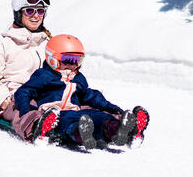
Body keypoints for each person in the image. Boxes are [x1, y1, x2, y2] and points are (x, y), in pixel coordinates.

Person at [13, 33, 150, 149]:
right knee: (68, 120)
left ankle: (120, 131)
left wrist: (112, 108)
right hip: (55, 114)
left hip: (77, 110)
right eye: (68, 59)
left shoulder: (78, 78)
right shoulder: (43, 75)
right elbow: (24, 91)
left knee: (97, 116)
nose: (73, 64)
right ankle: (80, 133)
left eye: (77, 60)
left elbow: (90, 95)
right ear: (52, 58)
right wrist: (26, 112)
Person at [0, 0, 52, 140]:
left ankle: (105, 125)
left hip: (44, 95)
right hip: (15, 99)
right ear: (18, 13)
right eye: (29, 11)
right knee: (27, 107)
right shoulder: (5, 44)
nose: (35, 15)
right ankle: (36, 125)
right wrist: (2, 99)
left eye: (40, 11)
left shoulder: (47, 43)